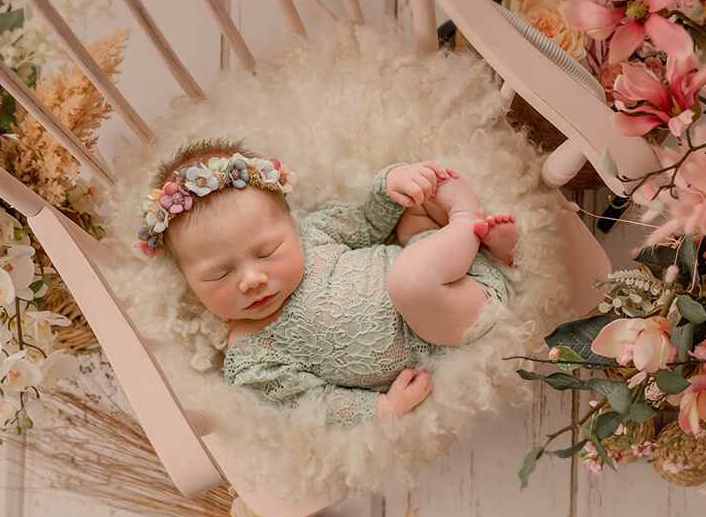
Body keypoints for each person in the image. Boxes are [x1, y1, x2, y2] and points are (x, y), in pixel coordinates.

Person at [135, 138, 517, 424]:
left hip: (437, 267)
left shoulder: (315, 232)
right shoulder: (250, 357)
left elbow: (370, 222)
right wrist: (382, 408)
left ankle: (483, 252)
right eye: (219, 274)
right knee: (409, 283)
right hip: (450, 324)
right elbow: (311, 403)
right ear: (194, 290)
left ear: (291, 226)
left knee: (415, 207)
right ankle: (467, 221)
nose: (252, 279)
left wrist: (391, 184)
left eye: (268, 251)